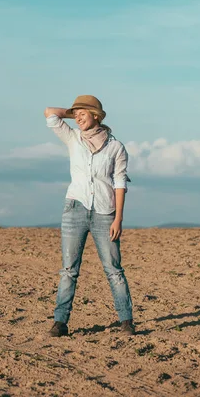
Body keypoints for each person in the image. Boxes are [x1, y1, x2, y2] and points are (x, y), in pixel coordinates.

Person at [44, 95, 134, 337]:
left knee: (114, 270)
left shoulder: (116, 147)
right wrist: (76, 113)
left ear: (98, 115)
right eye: (76, 113)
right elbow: (50, 113)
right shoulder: (73, 138)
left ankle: (126, 321)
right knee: (69, 269)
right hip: (74, 209)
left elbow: (119, 183)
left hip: (106, 213)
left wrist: (119, 219)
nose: (79, 116)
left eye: (85, 112)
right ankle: (60, 322)